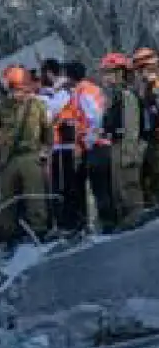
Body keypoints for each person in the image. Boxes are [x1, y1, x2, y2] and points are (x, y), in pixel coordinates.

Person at [0, 66, 53, 243]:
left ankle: (39, 230)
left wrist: (45, 150)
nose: (18, 94)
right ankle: (8, 234)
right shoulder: (1, 107)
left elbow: (48, 130)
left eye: (21, 89)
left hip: (31, 155)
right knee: (6, 197)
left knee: (34, 195)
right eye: (14, 90)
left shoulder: (38, 105)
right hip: (8, 158)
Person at [101, 53, 147, 229]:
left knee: (129, 183)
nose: (106, 77)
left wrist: (129, 153)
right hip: (116, 144)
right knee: (118, 186)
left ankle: (135, 217)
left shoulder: (127, 95)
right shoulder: (116, 96)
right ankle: (126, 219)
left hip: (125, 145)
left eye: (109, 72)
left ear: (120, 73)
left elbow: (131, 126)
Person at [72, 60, 115, 233]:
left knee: (100, 187)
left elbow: (94, 116)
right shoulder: (94, 88)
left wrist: (90, 139)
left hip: (96, 145)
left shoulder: (82, 91)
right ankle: (112, 219)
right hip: (105, 143)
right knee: (107, 185)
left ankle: (108, 223)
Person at [47, 60, 88, 234]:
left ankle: (73, 222)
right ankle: (76, 221)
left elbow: (50, 111)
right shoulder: (74, 92)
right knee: (72, 185)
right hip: (69, 144)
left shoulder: (66, 93)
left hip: (67, 145)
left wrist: (55, 91)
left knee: (69, 186)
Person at [137, 47, 159, 210]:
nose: (141, 72)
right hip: (150, 136)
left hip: (156, 136)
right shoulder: (147, 87)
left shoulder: (155, 84)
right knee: (146, 172)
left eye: (142, 68)